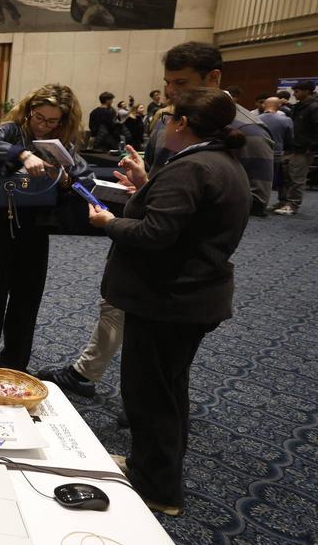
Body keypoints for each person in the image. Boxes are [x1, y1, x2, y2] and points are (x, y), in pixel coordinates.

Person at [39, 42, 275, 398]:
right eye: (168, 83)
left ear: (213, 78)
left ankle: (144, 408)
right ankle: (90, 375)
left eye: (181, 83)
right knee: (120, 314)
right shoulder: (171, 119)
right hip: (143, 242)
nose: (170, 92)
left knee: (162, 366)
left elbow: (249, 199)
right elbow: (165, 184)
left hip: (180, 266)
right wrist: (145, 185)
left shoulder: (249, 130)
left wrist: (169, 207)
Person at [87, 88, 250, 515]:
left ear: (182, 124)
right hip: (193, 296)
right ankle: (153, 468)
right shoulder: (220, 161)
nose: (163, 125)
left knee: (148, 394)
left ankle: (157, 488)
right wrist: (145, 186)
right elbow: (185, 220)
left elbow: (154, 234)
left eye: (168, 118)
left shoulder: (192, 167)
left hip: (168, 298)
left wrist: (109, 221)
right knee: (168, 389)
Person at [0, 84, 91, 371]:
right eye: (39, 117)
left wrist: (64, 178)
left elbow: (84, 179)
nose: (44, 125)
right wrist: (22, 155)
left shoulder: (62, 143)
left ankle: (15, 367)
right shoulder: (13, 130)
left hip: (36, 229)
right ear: (29, 111)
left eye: (52, 121)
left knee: (26, 303)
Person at [277, 79, 317, 216]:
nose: (294, 94)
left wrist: (311, 146)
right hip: (292, 146)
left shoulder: (314, 107)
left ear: (307, 91)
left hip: (304, 149)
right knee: (286, 176)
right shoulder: (300, 106)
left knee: (297, 178)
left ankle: (292, 204)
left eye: (297, 91)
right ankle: (283, 202)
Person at [259, 97, 293, 210]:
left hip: (259, 152)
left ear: (264, 105)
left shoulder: (255, 118)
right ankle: (282, 202)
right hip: (278, 153)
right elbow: (289, 139)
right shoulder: (286, 120)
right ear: (279, 106)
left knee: (259, 179)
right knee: (282, 180)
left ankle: (259, 203)